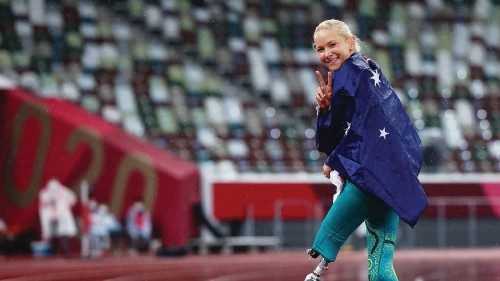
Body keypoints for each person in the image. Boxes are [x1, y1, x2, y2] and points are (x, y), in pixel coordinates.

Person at [304, 19, 428, 281]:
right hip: (385, 170)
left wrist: (335, 160)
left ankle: (324, 243)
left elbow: (365, 125)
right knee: (380, 262)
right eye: (319, 49)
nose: (326, 53)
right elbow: (330, 139)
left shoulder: (357, 73)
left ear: (350, 43)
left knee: (350, 234)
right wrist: (326, 109)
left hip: (373, 169)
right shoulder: (354, 74)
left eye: (332, 44)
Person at [38, 178, 78, 256]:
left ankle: (64, 251)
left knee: (62, 234)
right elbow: (44, 203)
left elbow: (73, 200)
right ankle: (52, 252)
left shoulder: (64, 191)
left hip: (62, 217)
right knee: (52, 235)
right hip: (52, 217)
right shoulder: (46, 193)